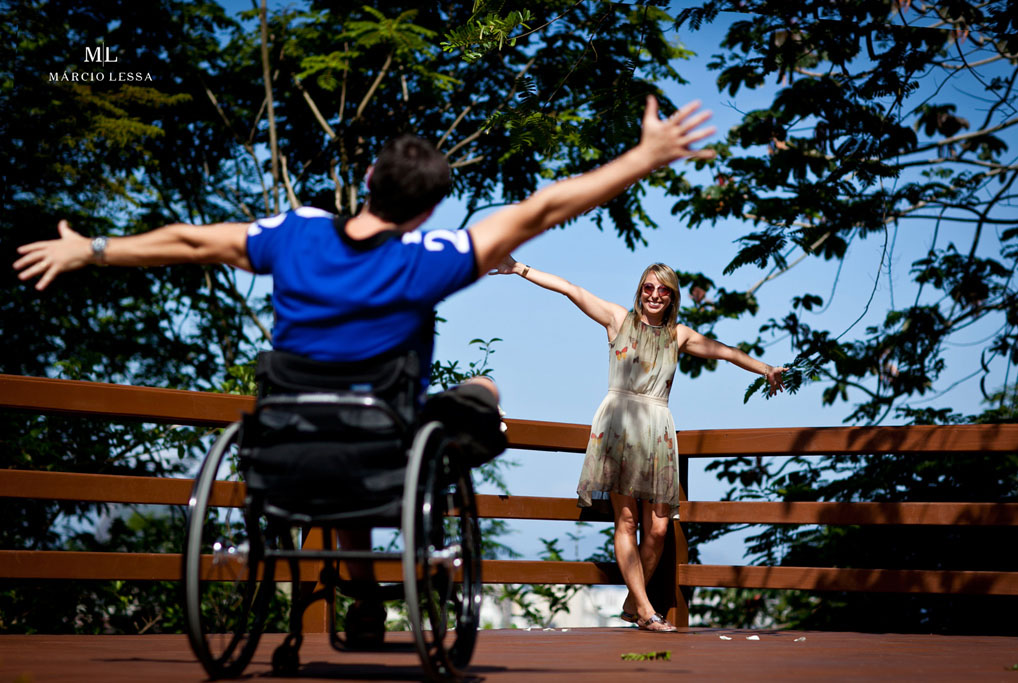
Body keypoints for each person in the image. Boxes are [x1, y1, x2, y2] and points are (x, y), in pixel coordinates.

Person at [14, 95, 716, 638]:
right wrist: (645, 156)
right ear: (428, 210)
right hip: (381, 444)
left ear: (371, 178)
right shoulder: (427, 258)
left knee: (345, 441)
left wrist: (93, 250)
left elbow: (193, 240)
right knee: (482, 390)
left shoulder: (293, 236)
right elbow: (543, 208)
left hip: (285, 439)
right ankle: (402, 563)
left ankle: (359, 595)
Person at [491, 258, 786, 632]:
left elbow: (724, 351)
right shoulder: (618, 319)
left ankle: (633, 600)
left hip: (658, 430)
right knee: (626, 520)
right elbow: (571, 289)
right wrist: (519, 269)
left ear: (672, 296)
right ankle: (646, 610)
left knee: (659, 529)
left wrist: (765, 369)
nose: (654, 295)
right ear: (640, 291)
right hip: (618, 425)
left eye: (663, 289)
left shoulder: (678, 335)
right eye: (648, 287)